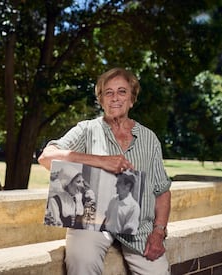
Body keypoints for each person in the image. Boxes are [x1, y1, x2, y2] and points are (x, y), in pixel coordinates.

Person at [38, 67, 171, 275]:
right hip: (92, 222)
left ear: (132, 99)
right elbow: (46, 157)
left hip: (139, 228)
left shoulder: (149, 139)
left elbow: (162, 191)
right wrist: (100, 161)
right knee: (81, 259)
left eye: (122, 91)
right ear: (101, 100)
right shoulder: (87, 129)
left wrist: (159, 232)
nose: (114, 98)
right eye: (108, 92)